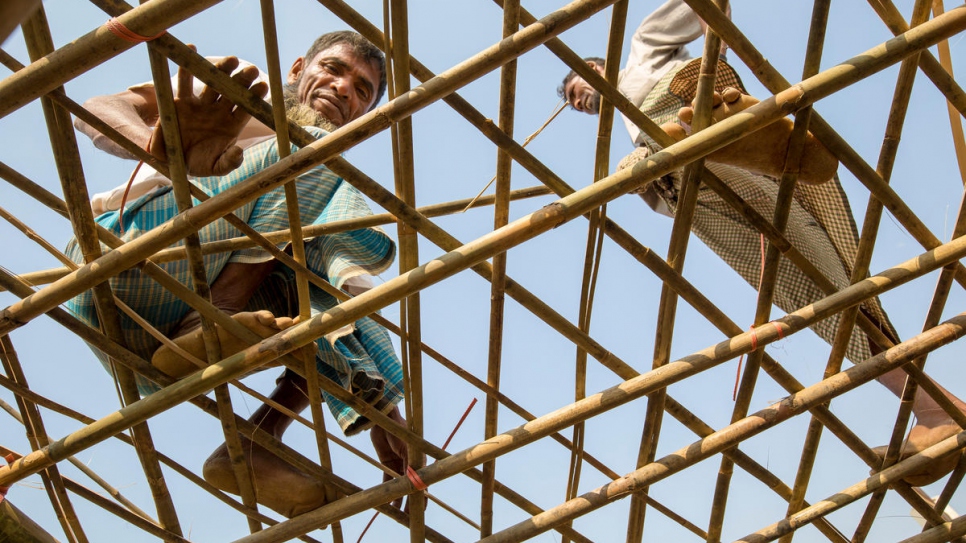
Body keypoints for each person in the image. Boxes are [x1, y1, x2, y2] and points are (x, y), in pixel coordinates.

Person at [558, 0, 966, 486]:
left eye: (578, 90)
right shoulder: (625, 125)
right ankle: (940, 411)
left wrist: (719, 47)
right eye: (578, 105)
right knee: (827, 294)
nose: (581, 102)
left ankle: (707, 124)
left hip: (689, 116)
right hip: (708, 182)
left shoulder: (641, 53)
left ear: (595, 65)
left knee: (829, 287)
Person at [67, 32, 408, 517]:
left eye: (363, 89)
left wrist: (384, 409)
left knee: (335, 287)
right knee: (315, 156)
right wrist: (159, 146)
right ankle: (213, 318)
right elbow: (95, 108)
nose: (344, 88)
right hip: (127, 264)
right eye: (332, 69)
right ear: (296, 69)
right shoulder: (247, 89)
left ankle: (256, 441)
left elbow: (348, 306)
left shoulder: (324, 197)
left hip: (162, 359)